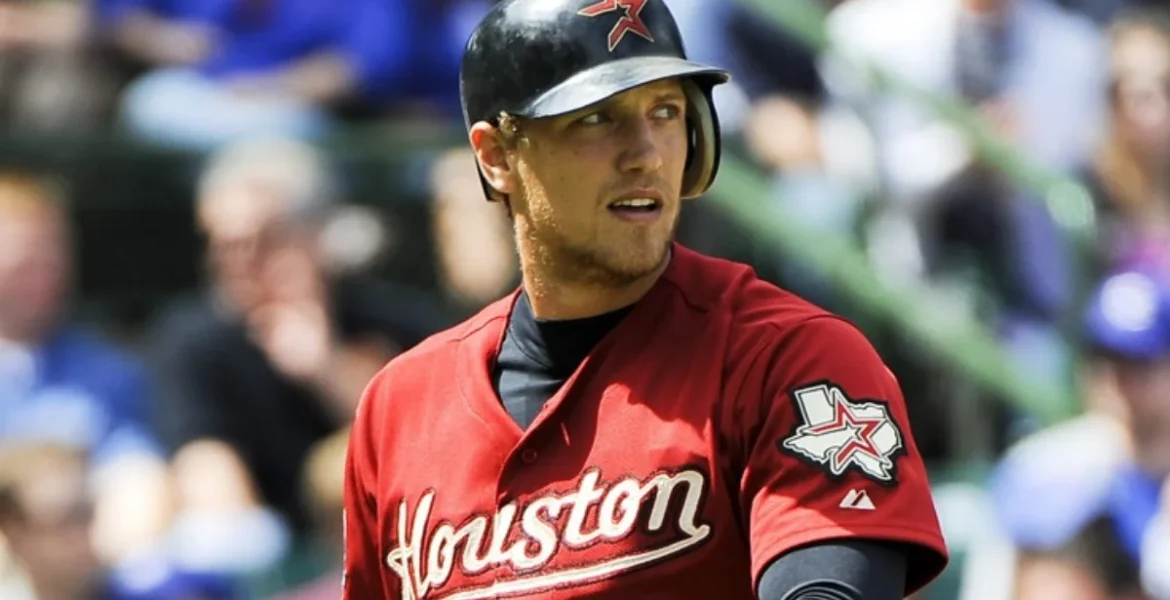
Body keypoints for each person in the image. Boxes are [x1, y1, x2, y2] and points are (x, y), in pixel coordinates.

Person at [342, 1, 949, 599]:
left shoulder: (792, 362)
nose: (647, 153)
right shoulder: (399, 409)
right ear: (497, 157)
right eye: (596, 119)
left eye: (664, 112)